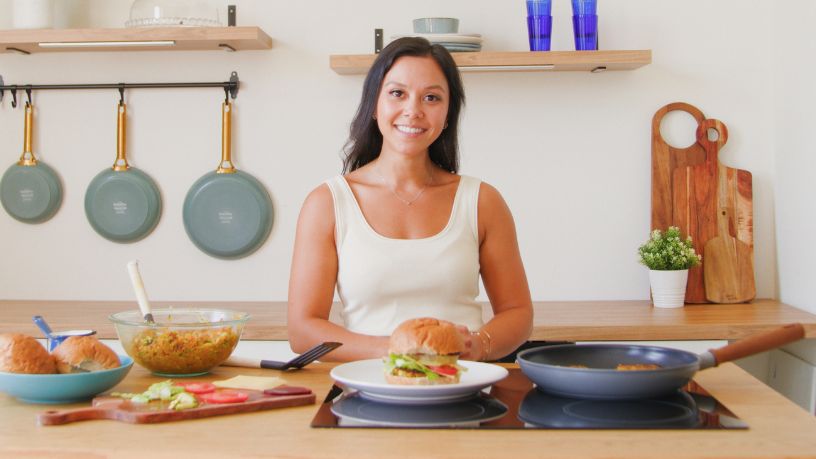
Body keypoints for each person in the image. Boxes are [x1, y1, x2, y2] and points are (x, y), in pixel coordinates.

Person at [287, 37, 533, 362]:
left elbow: (518, 312)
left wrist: (479, 344)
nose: (413, 110)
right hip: (366, 395)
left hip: (464, 392)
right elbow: (303, 330)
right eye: (397, 93)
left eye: (431, 97)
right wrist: (398, 350)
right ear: (374, 104)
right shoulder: (328, 203)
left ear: (447, 114)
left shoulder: (482, 201)